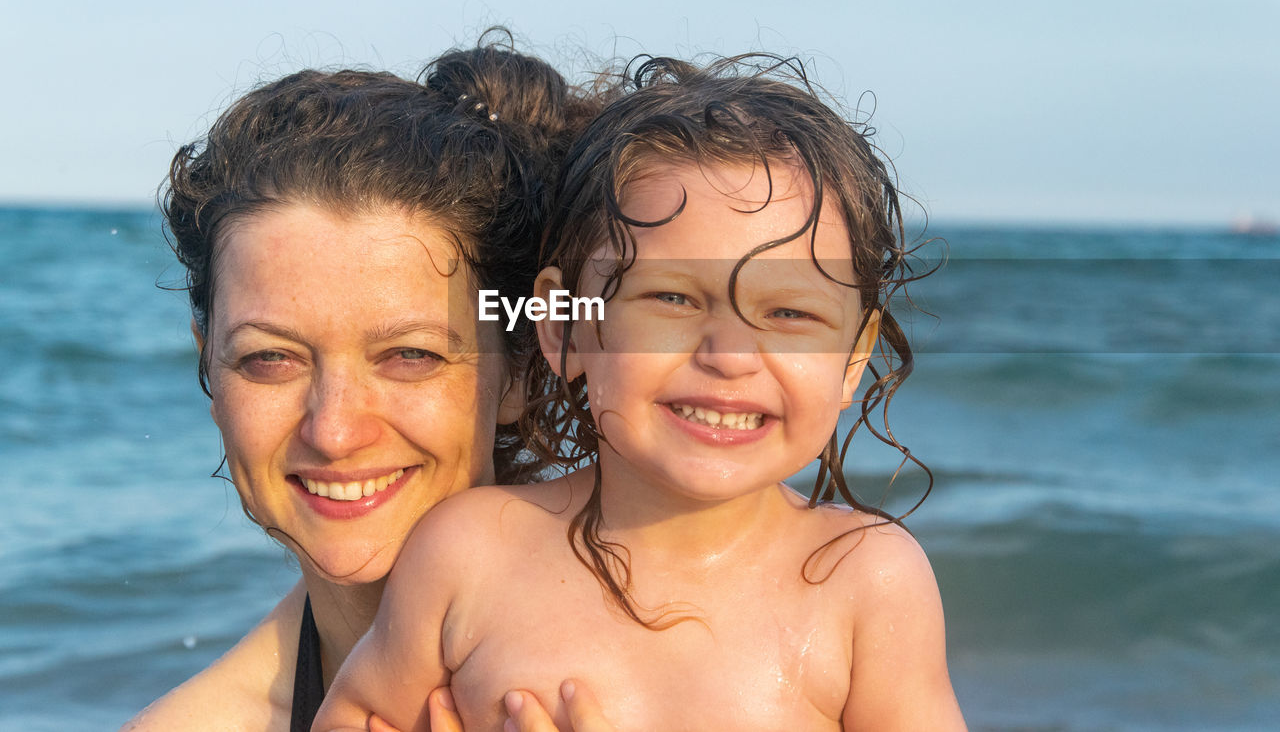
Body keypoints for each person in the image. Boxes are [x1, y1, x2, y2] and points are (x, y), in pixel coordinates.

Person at [316, 56, 967, 731]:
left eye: (789, 314)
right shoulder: (469, 554)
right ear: (564, 322)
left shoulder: (865, 586)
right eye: (672, 298)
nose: (730, 355)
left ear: (852, 358)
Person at [122, 37, 616, 732]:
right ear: (209, 364)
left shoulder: (727, 657)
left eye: (410, 354)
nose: (334, 428)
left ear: (521, 368)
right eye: (270, 358)